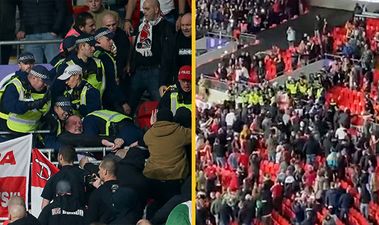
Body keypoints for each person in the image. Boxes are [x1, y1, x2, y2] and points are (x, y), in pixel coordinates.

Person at [127, 0, 176, 114]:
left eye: (147, 9)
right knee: (129, 106)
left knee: (163, 107)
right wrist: (130, 64)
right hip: (138, 71)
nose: (144, 12)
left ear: (156, 9)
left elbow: (167, 55)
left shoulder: (167, 27)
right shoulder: (141, 26)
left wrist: (163, 80)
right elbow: (134, 47)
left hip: (155, 72)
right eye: (143, 9)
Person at [143, 108, 191, 211]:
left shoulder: (150, 134)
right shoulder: (180, 132)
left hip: (153, 178)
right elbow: (192, 135)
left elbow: (145, 140)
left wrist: (153, 126)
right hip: (174, 179)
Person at [85, 158, 138, 225]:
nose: (98, 172)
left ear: (105, 172)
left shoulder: (97, 193)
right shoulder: (128, 190)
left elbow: (91, 219)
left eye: (99, 169)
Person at [0, 65, 51, 134]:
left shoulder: (45, 91)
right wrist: (32, 105)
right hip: (9, 130)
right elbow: (10, 106)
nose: (45, 85)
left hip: (32, 131)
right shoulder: (15, 85)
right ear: (34, 78)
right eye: (43, 81)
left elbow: (45, 113)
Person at [54, 33, 105, 99]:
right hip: (73, 108)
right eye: (90, 46)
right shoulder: (66, 65)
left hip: (96, 106)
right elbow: (56, 90)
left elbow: (103, 86)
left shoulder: (98, 63)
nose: (93, 49)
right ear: (81, 47)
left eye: (94, 46)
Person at [93, 27, 129, 113]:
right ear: (98, 40)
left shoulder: (96, 54)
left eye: (112, 39)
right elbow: (111, 82)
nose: (112, 42)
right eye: (108, 39)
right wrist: (123, 102)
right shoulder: (104, 57)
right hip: (107, 100)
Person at [101, 12, 130, 94]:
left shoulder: (122, 34)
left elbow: (127, 51)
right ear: (102, 25)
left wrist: (128, 63)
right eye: (108, 25)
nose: (111, 27)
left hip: (121, 73)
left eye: (113, 24)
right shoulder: (98, 37)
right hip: (106, 75)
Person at [162, 13, 192, 90]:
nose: (185, 28)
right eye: (183, 25)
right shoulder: (175, 40)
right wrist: (163, 83)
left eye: (188, 25)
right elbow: (166, 63)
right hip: (178, 82)